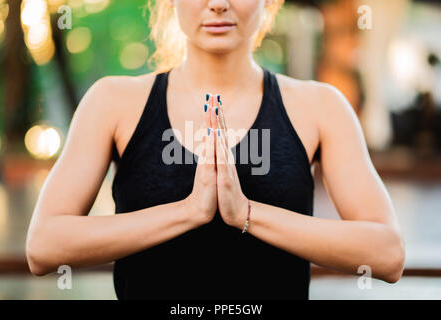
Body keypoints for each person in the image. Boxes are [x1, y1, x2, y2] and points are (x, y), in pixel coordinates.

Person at [26, 0, 405, 300]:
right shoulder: (112, 102)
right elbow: (44, 246)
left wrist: (246, 213)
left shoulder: (321, 107)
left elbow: (386, 254)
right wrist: (189, 212)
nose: (219, 4)